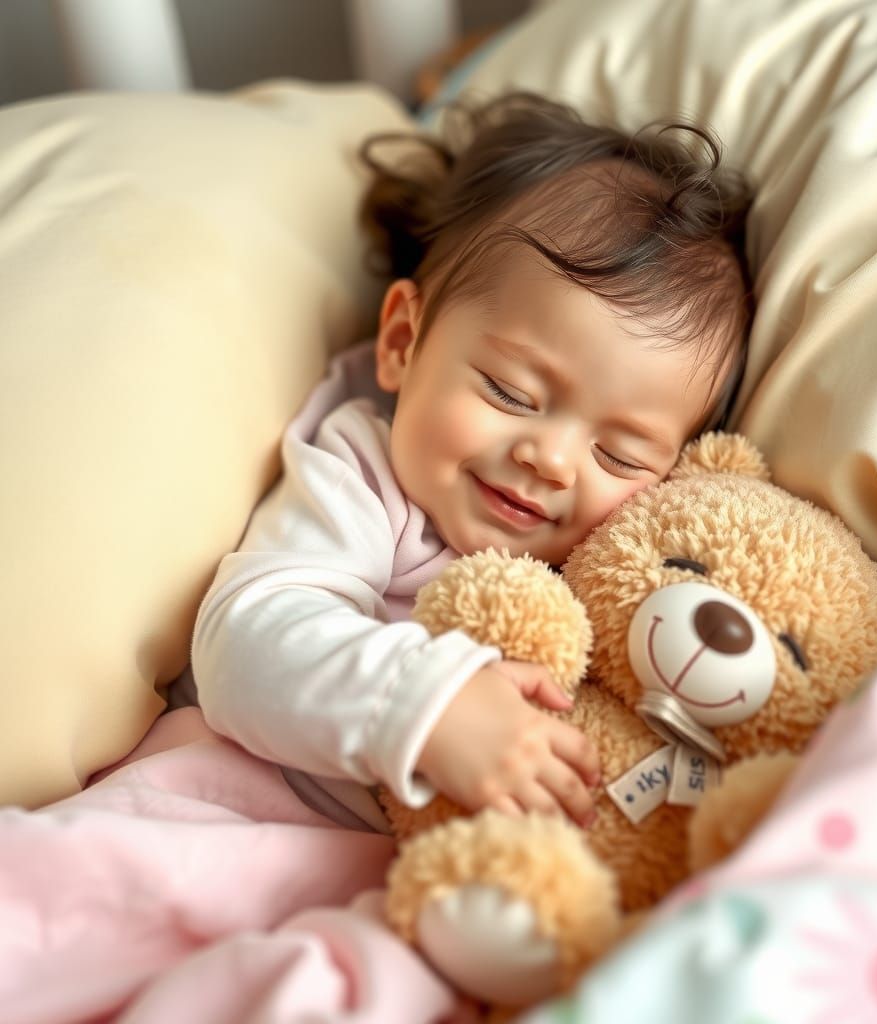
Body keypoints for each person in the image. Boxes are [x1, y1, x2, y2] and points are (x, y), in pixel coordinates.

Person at [190, 92, 752, 834]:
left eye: (619, 454)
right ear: (403, 342)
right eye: (510, 392)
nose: (551, 461)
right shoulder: (364, 477)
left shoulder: (619, 560)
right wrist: (427, 706)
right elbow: (243, 646)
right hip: (245, 812)